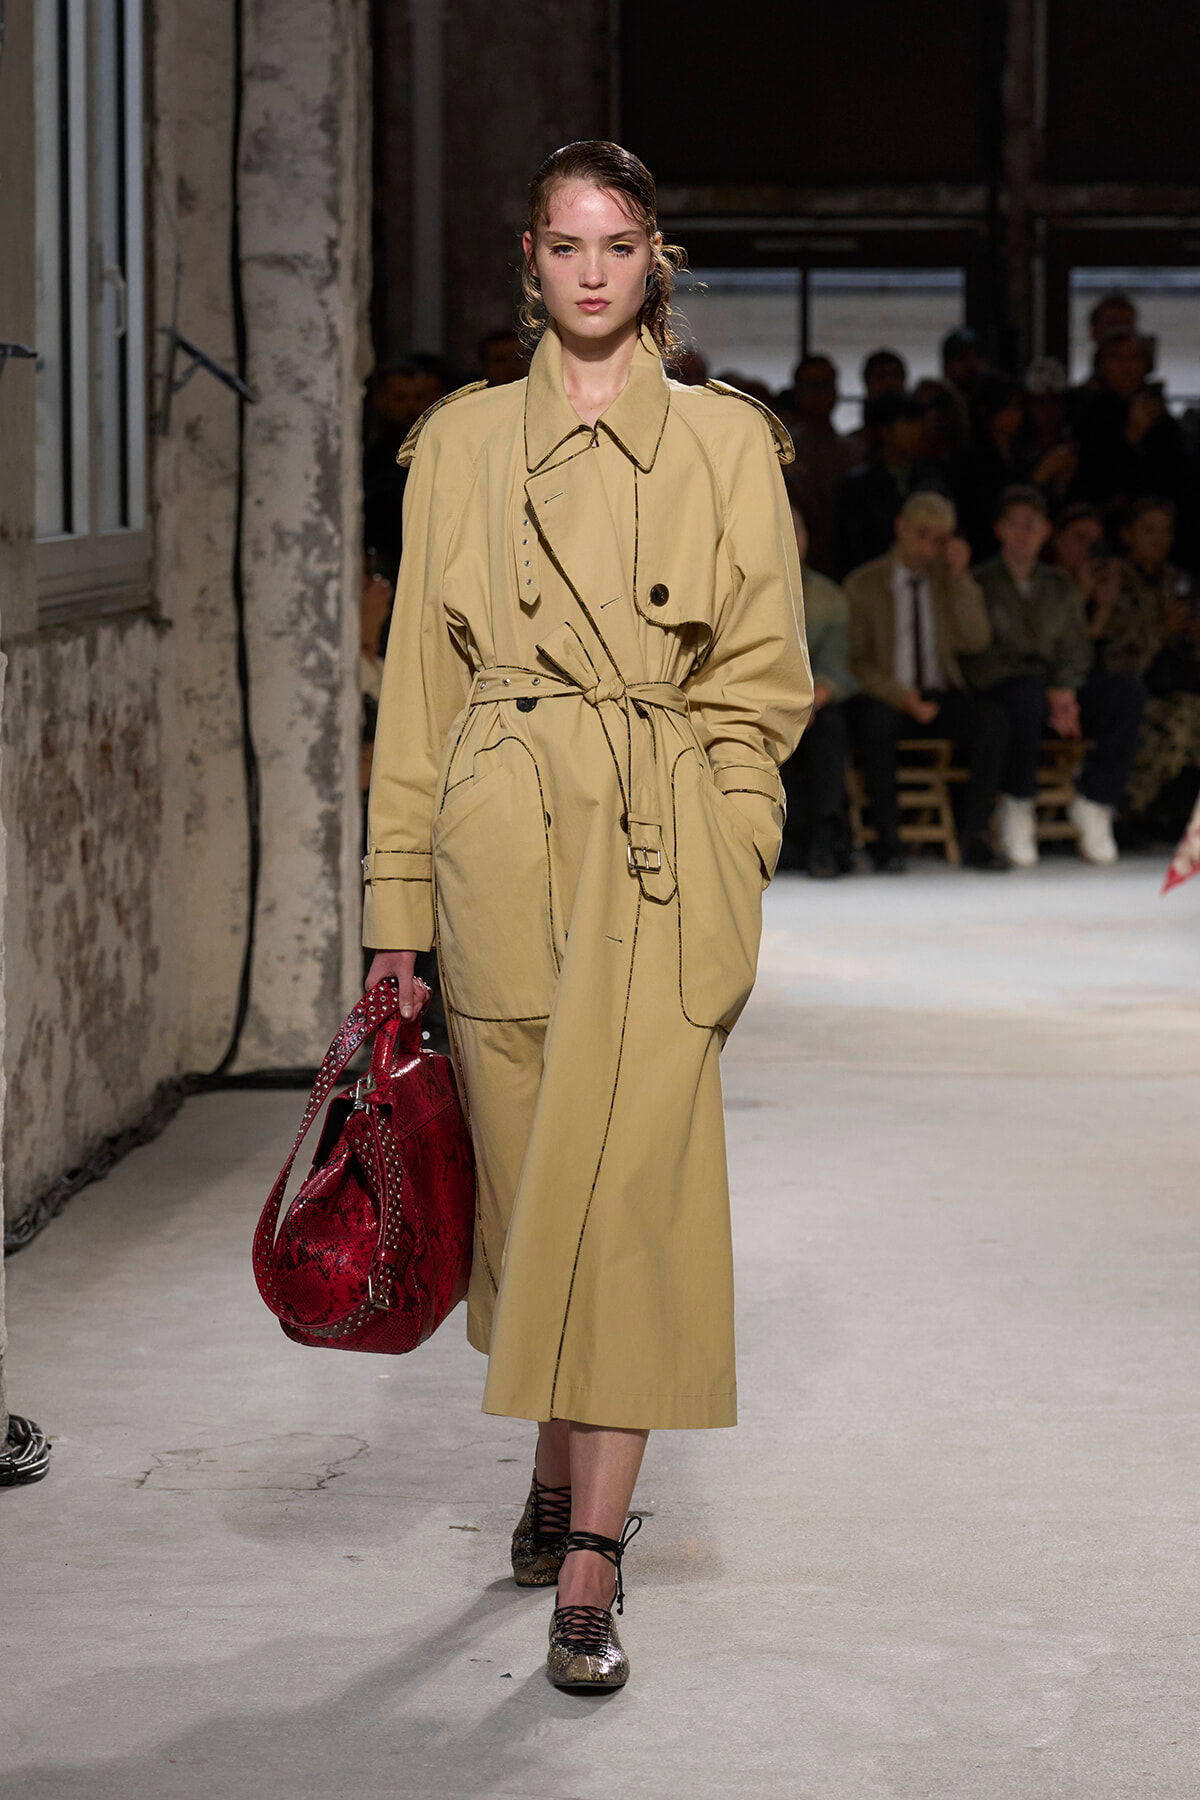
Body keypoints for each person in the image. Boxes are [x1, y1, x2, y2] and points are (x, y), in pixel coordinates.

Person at [362, 139, 812, 1694]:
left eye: (618, 244)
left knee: (633, 1192)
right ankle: (555, 1474)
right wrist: (396, 911)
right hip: (498, 837)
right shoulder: (462, 448)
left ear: (657, 261)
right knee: (538, 1181)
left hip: (662, 842)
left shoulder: (728, 448)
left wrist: (736, 825)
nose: (594, 271)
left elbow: (763, 671)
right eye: (565, 246)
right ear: (531, 266)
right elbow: (416, 692)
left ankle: (596, 1561)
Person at [963, 486, 1145, 867]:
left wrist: (1064, 688)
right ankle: (1018, 802)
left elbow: (1077, 647)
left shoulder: (1059, 586)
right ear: (999, 529)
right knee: (1025, 693)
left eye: (1032, 525)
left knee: (1125, 689)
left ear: (1046, 531)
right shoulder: (979, 582)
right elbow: (976, 654)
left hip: (1056, 692)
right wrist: (1047, 689)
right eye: (1015, 525)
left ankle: (1096, 800)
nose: (1024, 534)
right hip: (1007, 690)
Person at [845, 490, 1008, 872]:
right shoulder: (864, 584)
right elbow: (855, 662)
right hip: (887, 693)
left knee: (994, 718)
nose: (928, 547)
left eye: (939, 540)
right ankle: (887, 838)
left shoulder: (946, 581)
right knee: (874, 721)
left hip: (937, 693)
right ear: (900, 527)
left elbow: (976, 639)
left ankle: (977, 836)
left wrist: (962, 577)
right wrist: (900, 696)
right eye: (922, 534)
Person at [1100, 497, 1200, 834]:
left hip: (1172, 683)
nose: (1158, 539)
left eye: (1165, 531)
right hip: (1123, 686)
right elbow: (1113, 646)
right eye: (1148, 530)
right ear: (1127, 534)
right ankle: (1126, 810)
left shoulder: (1177, 580)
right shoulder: (1114, 577)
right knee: (1180, 717)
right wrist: (1161, 630)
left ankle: (1173, 812)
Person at [780, 505, 857, 877]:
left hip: (814, 704)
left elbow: (837, 666)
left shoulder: (829, 595)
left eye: (798, 526)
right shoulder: (739, 588)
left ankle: (826, 836)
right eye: (782, 525)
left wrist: (814, 699)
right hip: (762, 703)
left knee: (831, 728)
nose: (792, 535)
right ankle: (784, 839)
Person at [1067, 331, 1187, 525]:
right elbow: (1090, 480)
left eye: (1134, 358)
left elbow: (1173, 478)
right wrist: (1131, 436)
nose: (1126, 367)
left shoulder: (1159, 417)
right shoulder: (1086, 414)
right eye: (1116, 358)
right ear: (1102, 366)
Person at [834, 391, 947, 578]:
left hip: (927, 576)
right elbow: (849, 548)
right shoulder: (858, 484)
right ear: (885, 430)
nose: (915, 432)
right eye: (907, 424)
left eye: (917, 424)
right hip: (874, 581)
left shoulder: (932, 478)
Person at [777, 353, 859, 577]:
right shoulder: (781, 450)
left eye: (826, 385)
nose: (820, 395)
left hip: (847, 562)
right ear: (798, 393)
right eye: (812, 386)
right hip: (796, 564)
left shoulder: (854, 451)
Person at [1049, 502, 1121, 647]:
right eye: (1080, 537)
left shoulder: (1097, 588)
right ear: (1057, 539)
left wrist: (1103, 611)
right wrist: (1081, 595)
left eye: (1095, 542)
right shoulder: (1040, 583)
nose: (1087, 547)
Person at [845, 348, 908, 458]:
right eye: (881, 377)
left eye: (896, 376)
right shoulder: (852, 445)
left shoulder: (915, 442)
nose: (890, 383)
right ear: (867, 383)